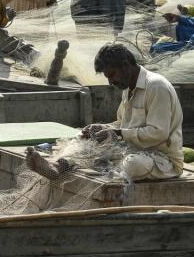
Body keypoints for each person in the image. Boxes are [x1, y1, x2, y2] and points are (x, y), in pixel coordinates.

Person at [26, 43, 183, 182]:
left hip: (162, 160)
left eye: (111, 75)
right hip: (130, 149)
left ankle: (98, 164)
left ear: (125, 65)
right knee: (82, 137)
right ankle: (58, 166)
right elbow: (122, 124)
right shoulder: (127, 87)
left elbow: (159, 133)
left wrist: (118, 133)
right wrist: (103, 128)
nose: (110, 82)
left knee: (133, 165)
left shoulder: (156, 87)